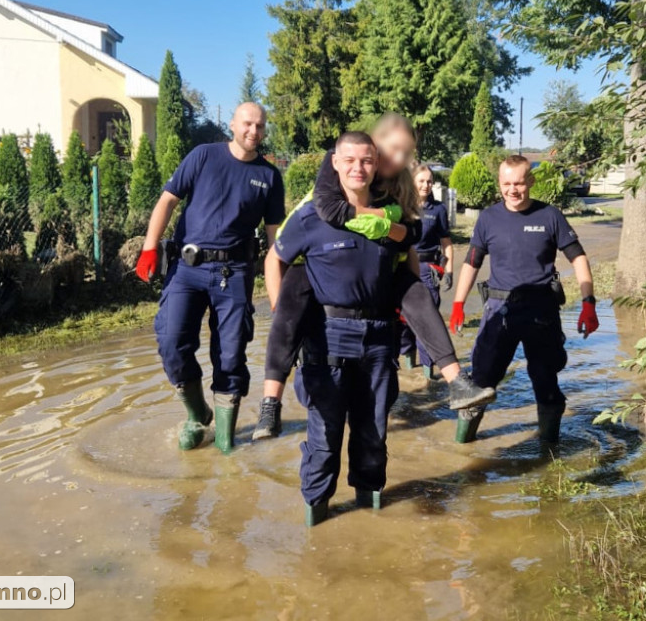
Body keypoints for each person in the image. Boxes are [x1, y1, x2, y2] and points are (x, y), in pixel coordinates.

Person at [252, 114, 495, 441]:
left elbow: (410, 237)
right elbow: (330, 211)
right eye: (393, 149)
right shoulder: (338, 168)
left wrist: (405, 298)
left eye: (406, 154)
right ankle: (270, 403)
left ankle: (457, 382)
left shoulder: (397, 187)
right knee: (288, 306)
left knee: (415, 289)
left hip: (376, 276)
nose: (399, 159)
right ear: (375, 143)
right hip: (314, 266)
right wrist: (380, 219)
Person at [266, 131, 403, 526]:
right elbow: (274, 260)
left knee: (373, 437)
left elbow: (408, 260)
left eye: (366, 160)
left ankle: (370, 522)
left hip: (378, 340)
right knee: (325, 441)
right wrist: (282, 312)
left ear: (375, 165)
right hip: (327, 340)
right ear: (336, 164)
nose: (358, 168)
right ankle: (317, 521)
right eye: (350, 160)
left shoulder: (388, 217)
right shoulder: (311, 217)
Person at [135, 102, 285, 454]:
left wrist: (283, 280)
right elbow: (167, 201)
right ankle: (196, 414)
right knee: (172, 343)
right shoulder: (203, 156)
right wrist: (149, 248)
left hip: (234, 273)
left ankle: (225, 445)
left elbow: (275, 237)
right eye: (248, 123)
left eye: (261, 126)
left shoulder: (268, 176)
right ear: (233, 124)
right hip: (187, 270)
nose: (254, 131)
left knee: (231, 356)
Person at [448, 155, 599, 444]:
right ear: (499, 183)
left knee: (546, 382)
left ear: (530, 181)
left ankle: (549, 450)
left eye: (519, 182)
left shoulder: (550, 216)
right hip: (499, 311)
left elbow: (578, 257)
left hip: (541, 312)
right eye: (506, 183)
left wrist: (588, 302)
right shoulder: (488, 218)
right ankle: (462, 451)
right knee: (479, 384)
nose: (513, 190)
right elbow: (471, 262)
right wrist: (457, 304)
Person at [397, 164, 454, 376]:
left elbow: (446, 243)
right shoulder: (402, 206)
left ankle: (429, 374)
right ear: (412, 182)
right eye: (421, 180)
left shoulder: (438, 209)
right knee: (402, 321)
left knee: (427, 321)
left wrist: (449, 272)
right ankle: (409, 362)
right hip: (403, 269)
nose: (426, 185)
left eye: (429, 181)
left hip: (428, 270)